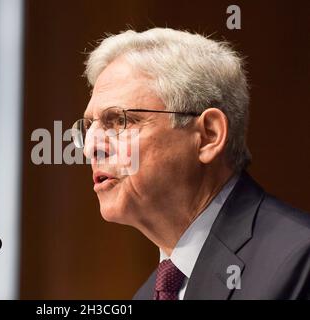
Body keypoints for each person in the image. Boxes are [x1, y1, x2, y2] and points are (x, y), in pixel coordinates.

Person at [71, 28, 310, 299]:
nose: (91, 148)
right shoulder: (149, 293)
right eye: (89, 127)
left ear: (208, 135)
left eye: (119, 121)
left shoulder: (298, 262)